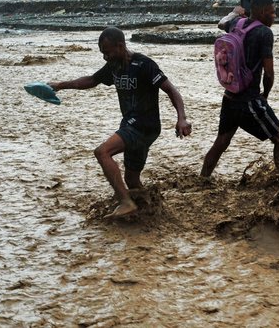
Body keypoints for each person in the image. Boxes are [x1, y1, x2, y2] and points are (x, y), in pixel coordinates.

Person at [48, 27, 192, 219]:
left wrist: (181, 118)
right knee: (131, 179)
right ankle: (149, 210)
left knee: (102, 152)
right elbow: (92, 80)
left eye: (107, 52)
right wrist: (59, 85)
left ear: (120, 46)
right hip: (132, 125)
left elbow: (171, 90)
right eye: (102, 53)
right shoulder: (114, 66)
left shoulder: (144, 64)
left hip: (144, 124)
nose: (105, 57)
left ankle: (126, 202)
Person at [201, 0, 279, 177]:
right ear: (264, 11)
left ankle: (203, 178)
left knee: (221, 142)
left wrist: (234, 12)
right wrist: (265, 95)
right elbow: (269, 73)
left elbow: (221, 23)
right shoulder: (265, 33)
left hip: (230, 95)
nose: (274, 16)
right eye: (273, 12)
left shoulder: (236, 24)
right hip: (249, 99)